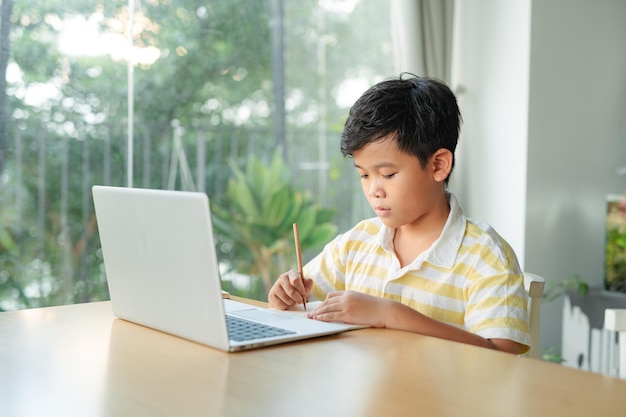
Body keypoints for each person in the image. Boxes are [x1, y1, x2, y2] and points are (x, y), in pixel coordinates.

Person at [268, 74, 531, 354]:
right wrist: (287, 295)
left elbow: (502, 355)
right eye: (364, 175)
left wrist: (391, 315)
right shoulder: (356, 243)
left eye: (388, 174)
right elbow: (303, 306)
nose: (373, 190)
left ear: (438, 165)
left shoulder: (483, 255)